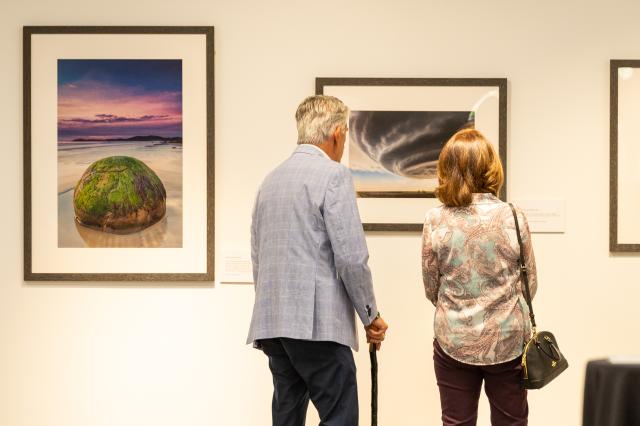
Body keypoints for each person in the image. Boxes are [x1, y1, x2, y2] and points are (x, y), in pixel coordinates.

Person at [247, 95, 389, 426]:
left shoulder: (270, 181)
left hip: (274, 324)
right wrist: (370, 315)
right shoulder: (333, 176)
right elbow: (351, 258)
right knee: (340, 415)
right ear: (338, 132)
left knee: (286, 416)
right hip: (317, 326)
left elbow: (259, 256)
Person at [422, 128, 537, 426]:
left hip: (453, 339)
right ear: (490, 167)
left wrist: (458, 306)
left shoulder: (436, 218)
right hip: (508, 338)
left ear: (448, 168)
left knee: (456, 422)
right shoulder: (513, 215)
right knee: (511, 422)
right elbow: (530, 284)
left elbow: (430, 285)